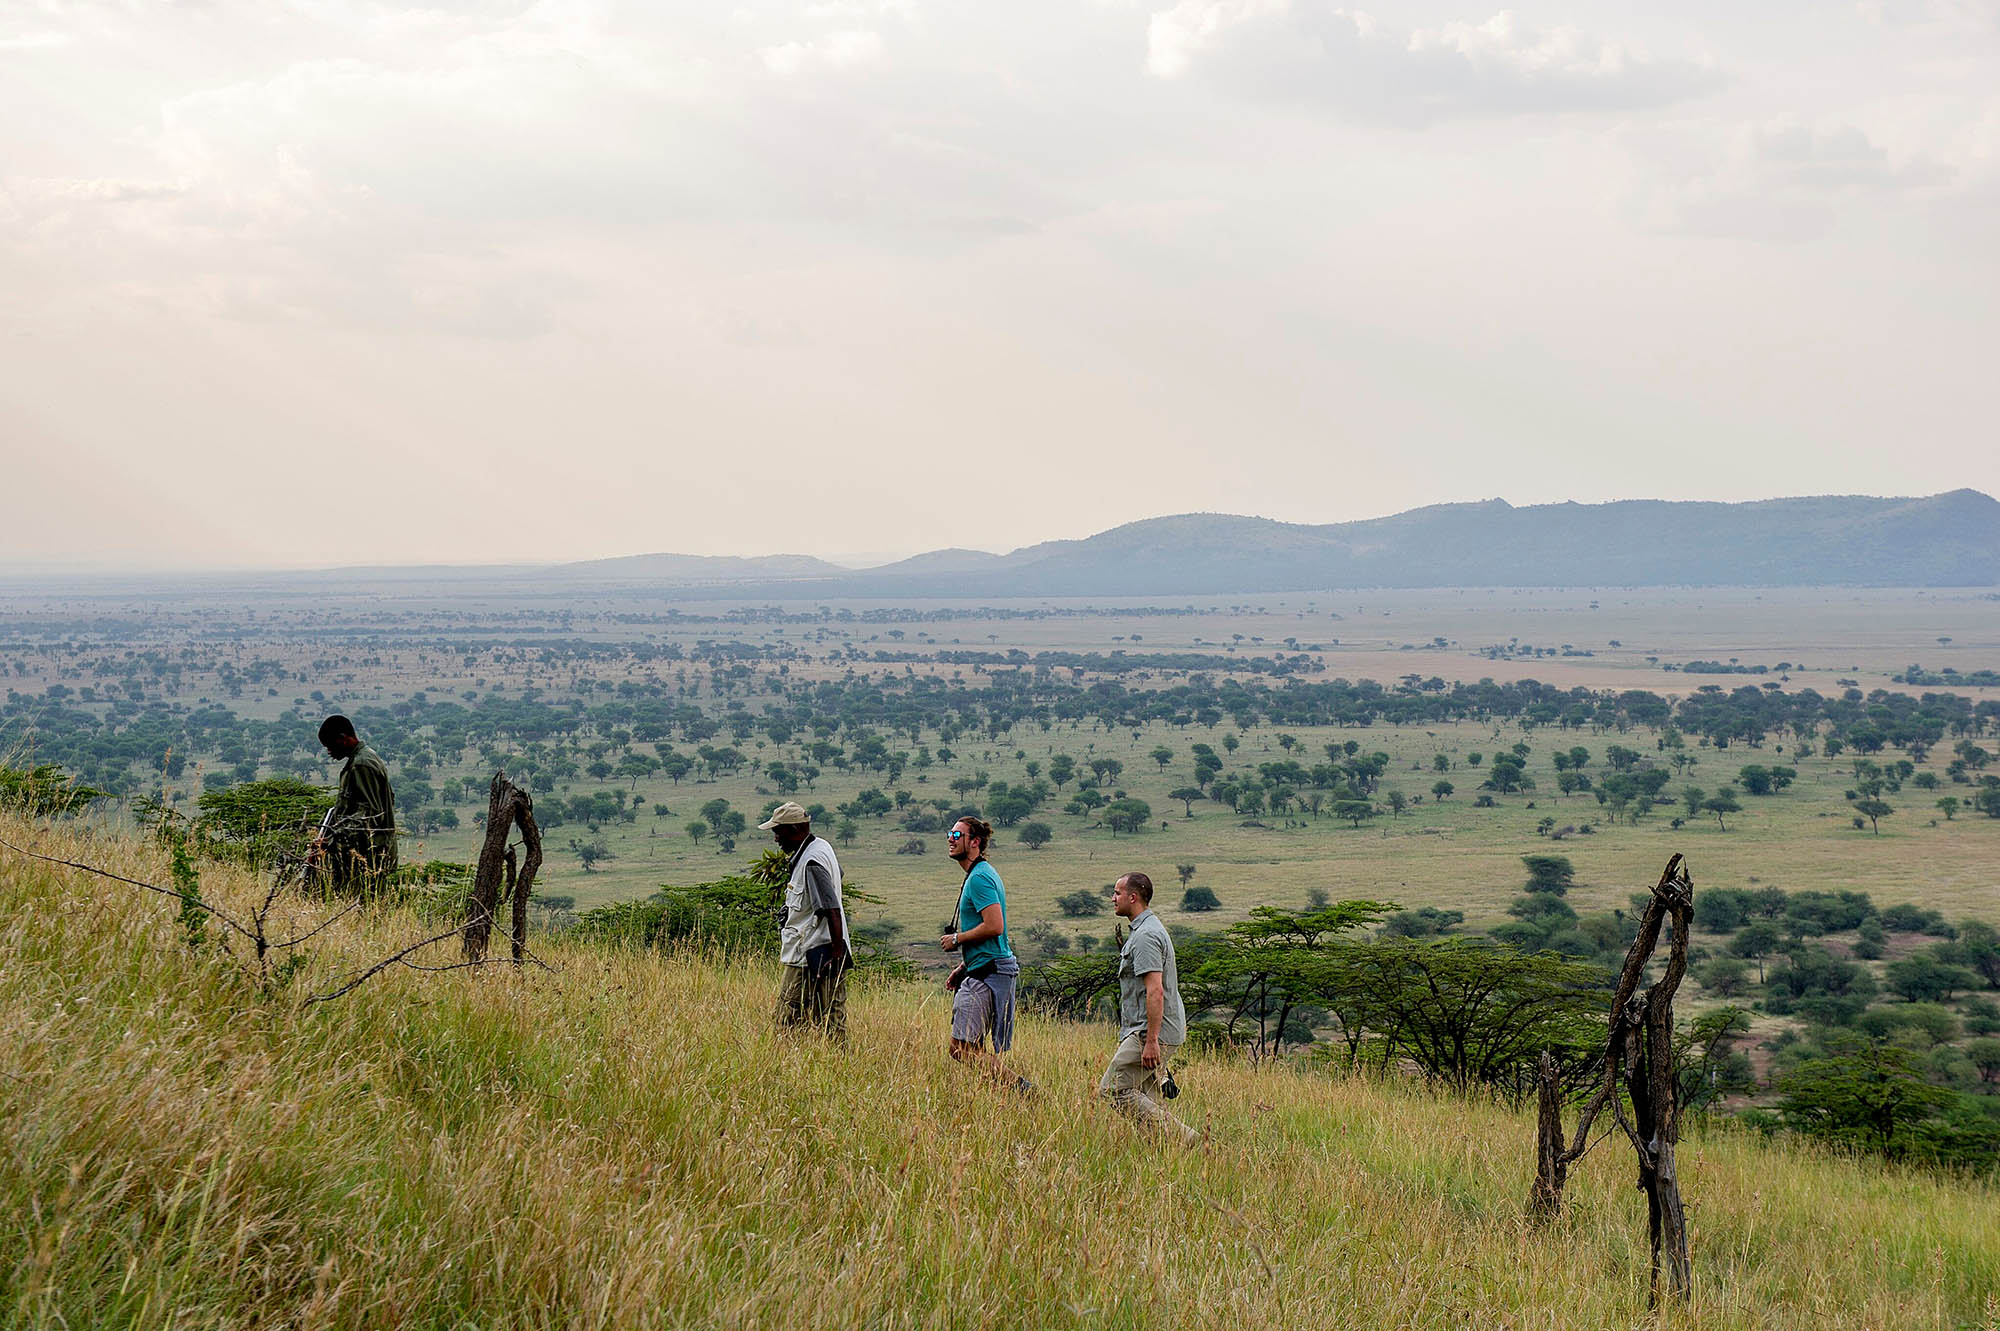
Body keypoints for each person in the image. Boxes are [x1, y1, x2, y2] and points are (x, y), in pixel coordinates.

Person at [1100, 871, 1199, 1146]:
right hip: (1153, 1029)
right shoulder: (1146, 930)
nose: (1113, 898)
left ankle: (1189, 1142)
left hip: (1151, 1031)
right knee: (1147, 1097)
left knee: (1113, 1089)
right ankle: (1163, 1154)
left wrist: (1151, 1041)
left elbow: (1156, 991)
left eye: (1117, 893)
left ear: (1133, 897)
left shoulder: (1145, 936)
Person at [939, 816, 1028, 1089]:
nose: (950, 841)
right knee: (971, 1045)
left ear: (974, 842)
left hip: (989, 971)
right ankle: (1002, 1097)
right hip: (983, 967)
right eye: (950, 835)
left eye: (957, 836)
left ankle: (1023, 1090)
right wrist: (964, 967)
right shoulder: (980, 874)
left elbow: (994, 926)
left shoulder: (980, 879)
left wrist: (957, 939)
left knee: (961, 1048)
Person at [763, 801, 852, 1041]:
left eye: (778, 832)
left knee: (788, 1015)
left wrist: (835, 953)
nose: (776, 839)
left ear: (794, 830)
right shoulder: (821, 847)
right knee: (830, 1016)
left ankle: (793, 1063)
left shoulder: (812, 861)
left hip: (812, 953)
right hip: (821, 949)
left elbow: (831, 907)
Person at [310, 714, 398, 894]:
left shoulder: (361, 764)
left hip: (369, 854)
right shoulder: (364, 758)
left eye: (330, 746)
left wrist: (331, 841)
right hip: (367, 852)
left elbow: (368, 814)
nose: (329, 752)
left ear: (342, 739)